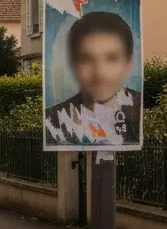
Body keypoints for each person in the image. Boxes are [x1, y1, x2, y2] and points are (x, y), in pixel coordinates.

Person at [45, 11, 140, 146]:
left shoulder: (142, 112)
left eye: (111, 58)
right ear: (73, 63)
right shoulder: (53, 120)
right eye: (87, 59)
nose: (99, 73)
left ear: (128, 62)